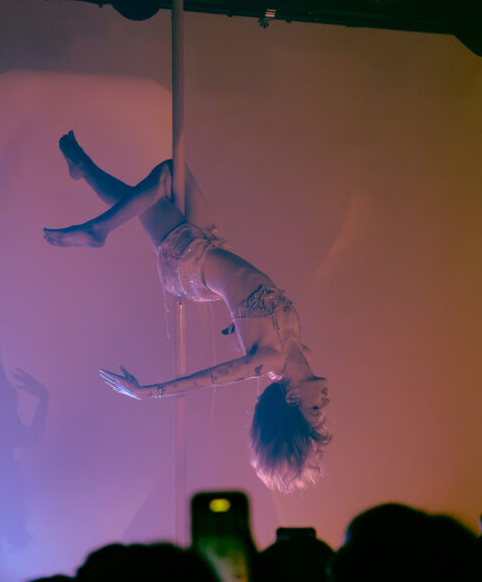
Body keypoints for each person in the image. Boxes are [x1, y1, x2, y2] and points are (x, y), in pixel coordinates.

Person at [44, 131, 331, 491]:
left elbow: (209, 378)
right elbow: (259, 313)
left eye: (315, 410)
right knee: (143, 197)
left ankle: (97, 228)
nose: (325, 403)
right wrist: (239, 323)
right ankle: (82, 168)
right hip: (210, 246)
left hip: (188, 263)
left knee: (163, 179)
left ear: (291, 397)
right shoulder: (301, 351)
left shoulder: (270, 361)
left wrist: (147, 392)